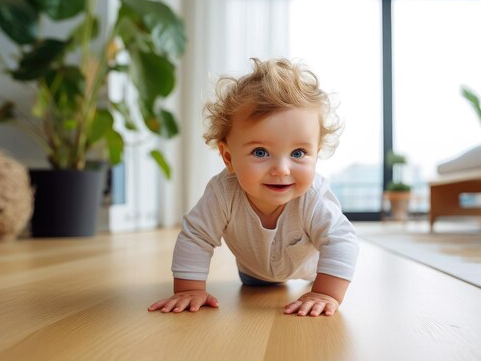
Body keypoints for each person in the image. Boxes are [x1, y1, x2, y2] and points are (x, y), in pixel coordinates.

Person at [148, 58, 359, 317]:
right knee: (257, 285)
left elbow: (341, 239)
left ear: (317, 153)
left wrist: (325, 292)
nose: (282, 169)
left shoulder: (313, 197)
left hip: (309, 269)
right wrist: (189, 289)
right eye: (261, 152)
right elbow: (197, 236)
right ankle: (259, 279)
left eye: (298, 152)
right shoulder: (223, 192)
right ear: (228, 158)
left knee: (322, 269)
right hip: (252, 273)